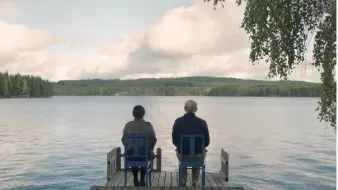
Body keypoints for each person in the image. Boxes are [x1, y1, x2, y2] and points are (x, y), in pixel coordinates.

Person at [172, 100, 210, 187]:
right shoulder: (202, 123)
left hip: (183, 156)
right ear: (196, 109)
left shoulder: (178, 121)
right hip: (198, 157)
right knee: (200, 152)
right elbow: (207, 143)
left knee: (181, 152)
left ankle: (183, 180)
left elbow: (174, 141)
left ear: (184, 108)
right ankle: (194, 181)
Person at [121, 105, 157, 186]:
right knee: (146, 154)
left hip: (130, 156)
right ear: (143, 114)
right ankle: (142, 179)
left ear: (133, 114)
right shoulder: (148, 125)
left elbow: (123, 140)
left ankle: (135, 178)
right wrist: (150, 148)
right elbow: (153, 140)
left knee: (134, 153)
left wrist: (129, 146)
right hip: (144, 155)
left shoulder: (128, 125)